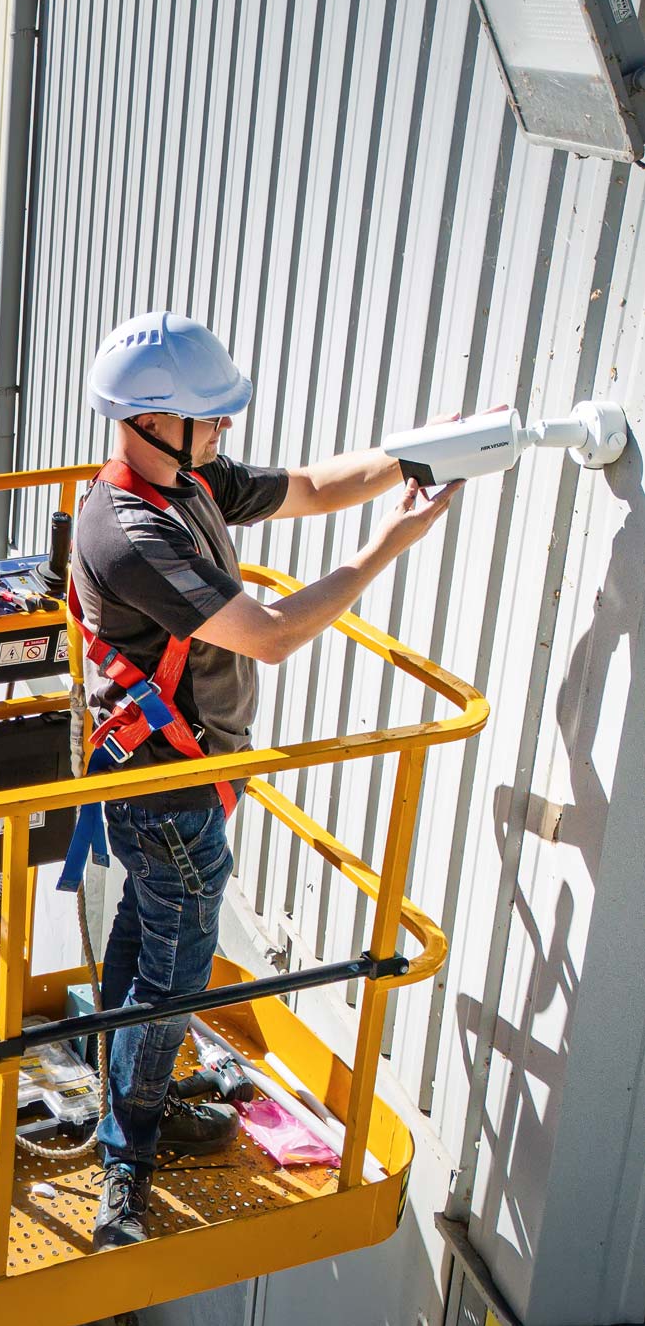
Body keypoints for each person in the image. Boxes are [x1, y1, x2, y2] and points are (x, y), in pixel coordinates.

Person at [70, 311, 461, 1250]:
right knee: (177, 970)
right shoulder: (130, 532)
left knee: (148, 930)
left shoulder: (188, 477)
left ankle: (110, 1078)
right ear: (153, 421)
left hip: (172, 771)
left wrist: (433, 452)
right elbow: (274, 637)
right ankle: (126, 1155)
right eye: (213, 418)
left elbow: (320, 486)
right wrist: (388, 550)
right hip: (165, 785)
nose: (226, 432)